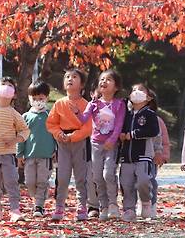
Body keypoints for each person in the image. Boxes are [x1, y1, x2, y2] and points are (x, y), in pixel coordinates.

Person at [74, 70, 126, 220]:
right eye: (102, 79)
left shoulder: (119, 104)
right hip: (95, 143)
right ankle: (103, 206)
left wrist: (112, 140)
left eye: (109, 79)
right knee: (96, 176)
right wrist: (78, 112)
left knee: (108, 174)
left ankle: (113, 205)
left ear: (116, 87)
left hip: (111, 145)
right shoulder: (94, 104)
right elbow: (83, 119)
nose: (104, 82)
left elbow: (119, 124)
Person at [46, 68, 92, 221]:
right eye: (67, 77)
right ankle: (59, 206)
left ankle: (82, 206)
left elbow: (88, 127)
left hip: (80, 143)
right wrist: (59, 134)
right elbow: (51, 123)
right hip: (62, 143)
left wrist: (73, 136)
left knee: (81, 177)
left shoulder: (86, 104)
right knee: (62, 176)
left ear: (82, 84)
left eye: (74, 77)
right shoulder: (59, 103)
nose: (70, 79)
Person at [0, 77, 30, 222]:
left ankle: (15, 211)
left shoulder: (13, 113)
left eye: (10, 85)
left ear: (14, 94)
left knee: (12, 182)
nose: (6, 87)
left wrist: (14, 140)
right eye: (3, 84)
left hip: (8, 155)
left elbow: (25, 131)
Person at [119, 84, 160, 221]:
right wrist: (121, 134)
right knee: (126, 183)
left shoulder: (149, 114)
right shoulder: (126, 114)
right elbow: (120, 128)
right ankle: (129, 209)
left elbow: (153, 131)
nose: (137, 92)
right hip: (126, 155)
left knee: (143, 180)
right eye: (134, 90)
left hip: (144, 155)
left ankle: (146, 202)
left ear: (148, 98)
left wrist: (133, 134)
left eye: (141, 90)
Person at [17, 81, 56, 218]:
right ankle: (40, 196)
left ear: (47, 98)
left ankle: (38, 206)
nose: (38, 101)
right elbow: (21, 136)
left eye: (41, 98)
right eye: (34, 98)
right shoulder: (26, 117)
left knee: (42, 181)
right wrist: (19, 154)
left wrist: (56, 150)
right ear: (29, 98)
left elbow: (55, 134)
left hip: (46, 156)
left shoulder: (50, 116)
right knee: (29, 182)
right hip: (29, 156)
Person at [147, 91, 170, 219]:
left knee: (151, 180)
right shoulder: (130, 118)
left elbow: (164, 140)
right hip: (134, 157)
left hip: (152, 157)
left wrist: (163, 155)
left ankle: (152, 204)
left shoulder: (157, 120)